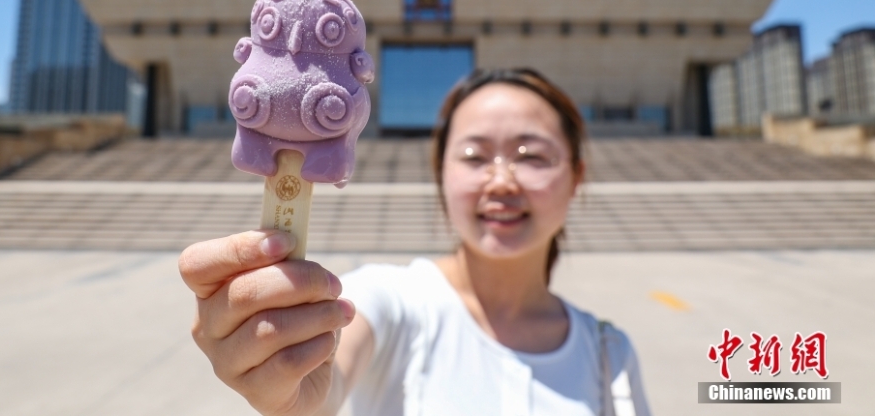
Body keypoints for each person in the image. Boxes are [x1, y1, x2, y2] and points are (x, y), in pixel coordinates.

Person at [179, 68, 652, 416]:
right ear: (441, 174)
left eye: (531, 156)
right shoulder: (393, 301)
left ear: (576, 176)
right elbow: (333, 373)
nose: (502, 180)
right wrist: (297, 389)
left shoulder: (611, 354)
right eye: (474, 155)